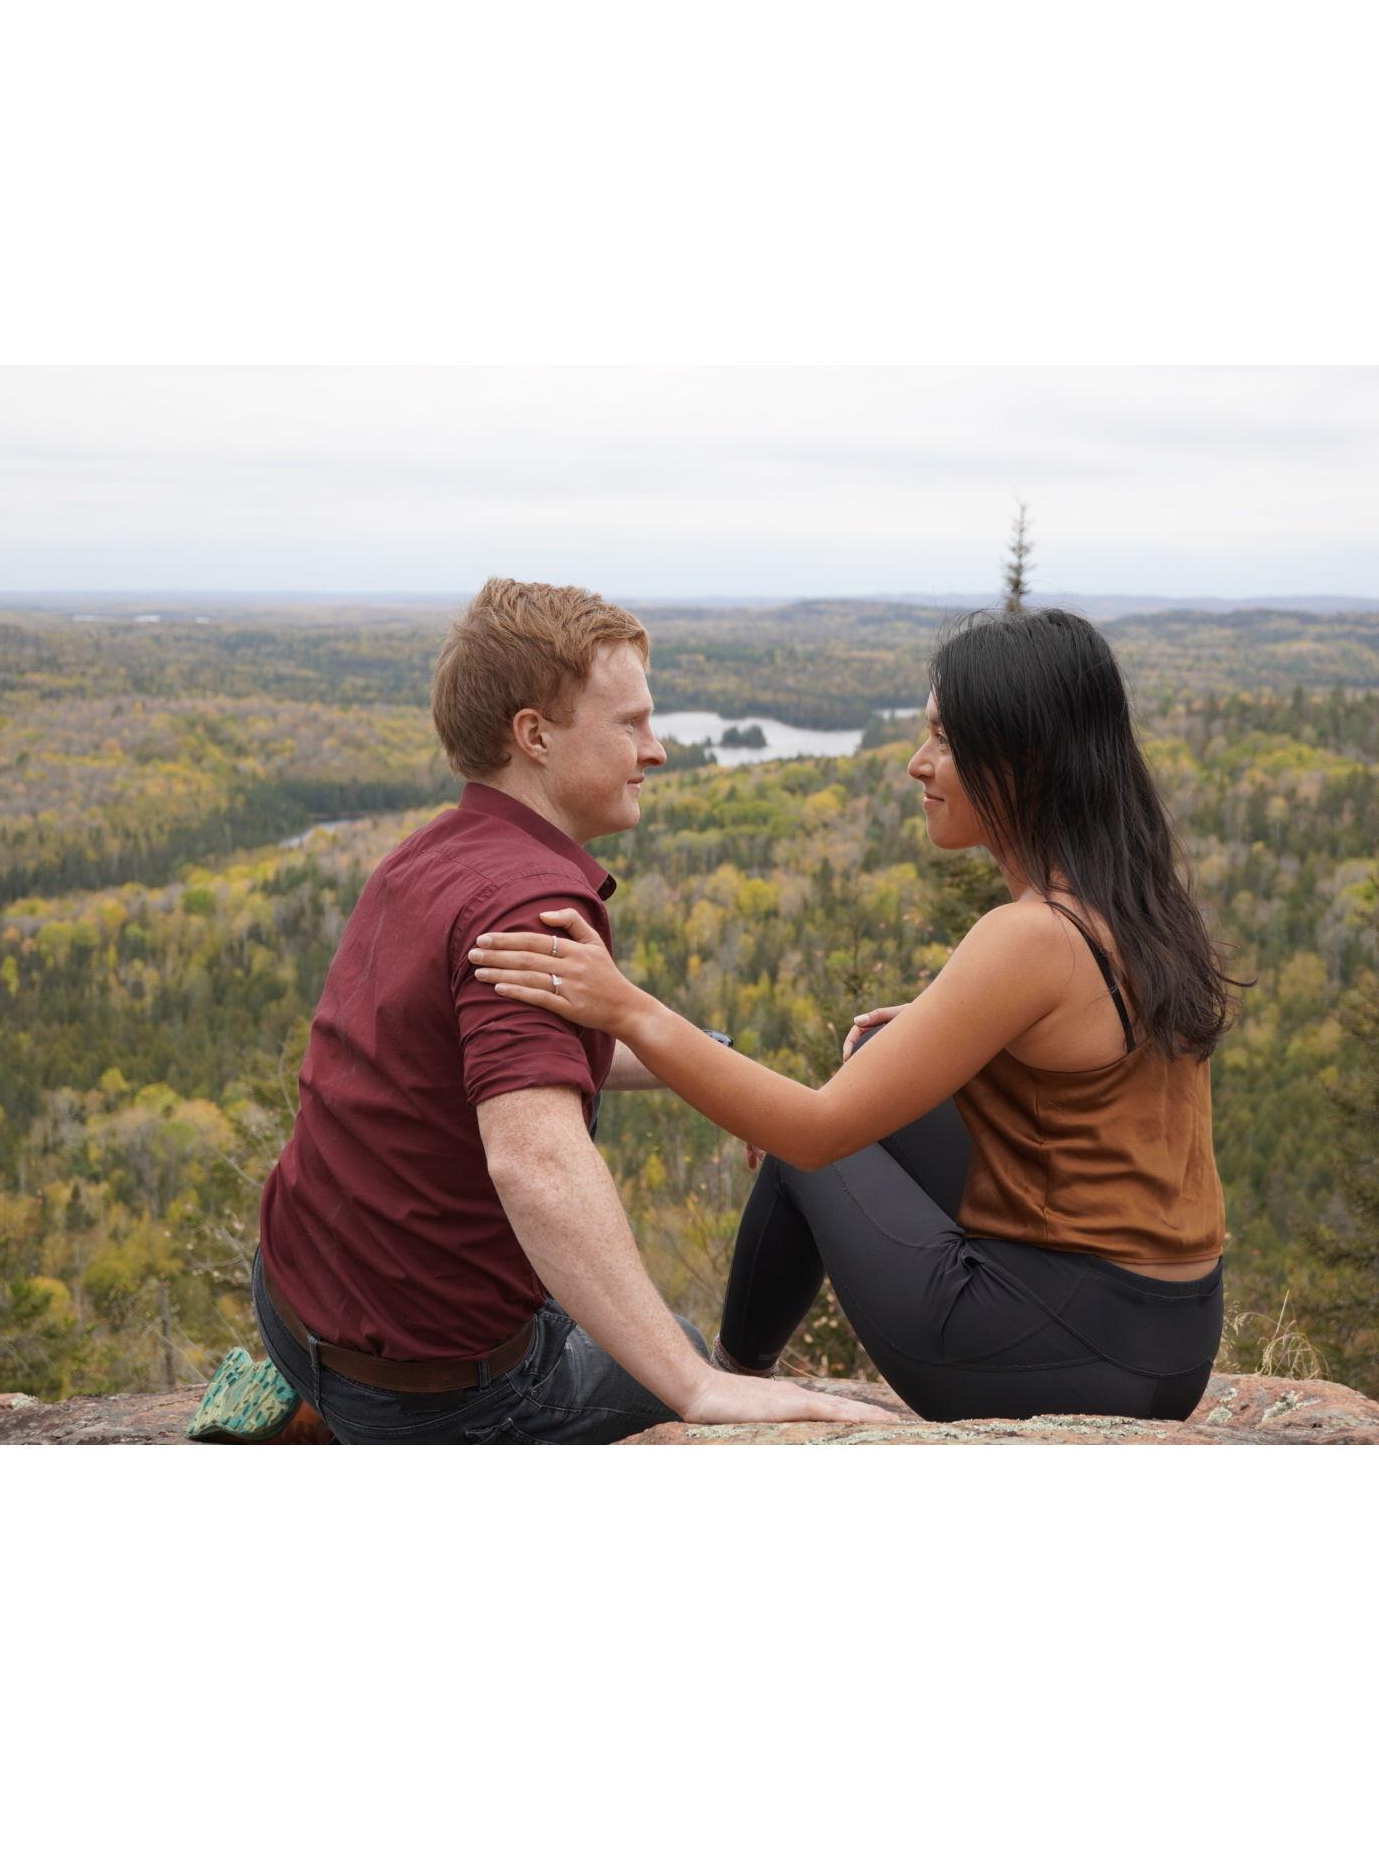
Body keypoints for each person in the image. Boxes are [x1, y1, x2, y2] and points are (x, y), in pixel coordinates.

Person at [467, 606, 1249, 1424]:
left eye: (945, 739)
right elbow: (1094, 1075)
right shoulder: (1132, 903)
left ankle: (733, 1383)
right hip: (1168, 1342)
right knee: (880, 1069)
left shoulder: (1029, 936)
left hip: (1055, 1354)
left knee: (813, 1148)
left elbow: (813, 1132)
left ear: (1023, 761)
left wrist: (627, 1008)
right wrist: (943, 1029)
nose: (919, 764)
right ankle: (746, 1373)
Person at [249, 577, 896, 1443]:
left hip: (298, 1305)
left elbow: (522, 1049)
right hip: (433, 1388)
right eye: (630, 724)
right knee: (681, 1352)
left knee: (620, 1325)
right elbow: (536, 1165)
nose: (656, 750)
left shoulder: (433, 854)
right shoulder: (528, 901)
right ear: (534, 736)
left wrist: (715, 1063)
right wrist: (695, 1387)